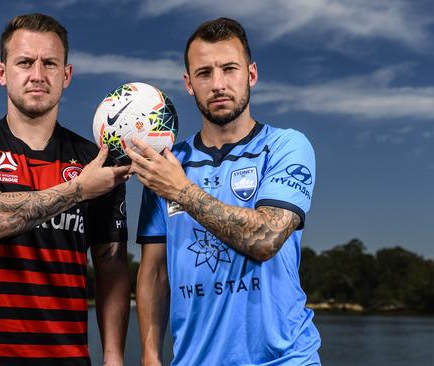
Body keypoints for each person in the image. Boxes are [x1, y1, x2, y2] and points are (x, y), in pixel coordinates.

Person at [0, 13, 131, 366]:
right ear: (2, 72)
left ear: (66, 76)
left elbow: (112, 266)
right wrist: (78, 190)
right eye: (25, 62)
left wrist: (114, 356)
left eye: (50, 64)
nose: (38, 75)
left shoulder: (93, 159)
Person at [130, 18, 321, 365]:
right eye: (204, 73)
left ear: (251, 74)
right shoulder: (168, 164)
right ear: (189, 84)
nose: (218, 84)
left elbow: (266, 238)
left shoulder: (285, 146)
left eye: (229, 69)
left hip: (284, 359)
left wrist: (182, 190)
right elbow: (155, 272)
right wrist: (150, 356)